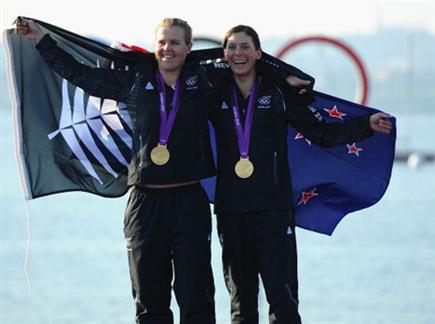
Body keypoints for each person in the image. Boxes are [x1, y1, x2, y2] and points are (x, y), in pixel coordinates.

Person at [15, 17, 314, 324]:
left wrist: (287, 80)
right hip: (145, 207)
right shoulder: (136, 80)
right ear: (154, 46)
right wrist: (42, 40)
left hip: (189, 202)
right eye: (161, 42)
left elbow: (244, 63)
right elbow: (83, 76)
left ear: (188, 47)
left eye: (174, 42)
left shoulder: (205, 81)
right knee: (150, 304)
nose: (167, 48)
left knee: (196, 301)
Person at [208, 25, 392, 324]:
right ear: (224, 54)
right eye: (231, 47)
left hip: (274, 210)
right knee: (241, 302)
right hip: (231, 210)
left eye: (245, 47)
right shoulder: (214, 93)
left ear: (258, 53)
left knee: (283, 300)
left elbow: (321, 133)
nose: (237, 53)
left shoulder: (278, 92)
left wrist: (365, 125)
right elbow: (187, 64)